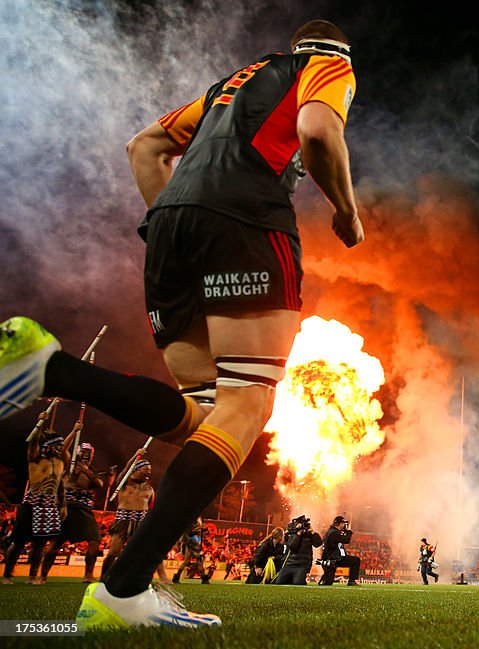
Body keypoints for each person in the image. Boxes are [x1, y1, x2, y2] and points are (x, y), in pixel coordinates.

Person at [0, 18, 362, 628]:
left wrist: (182, 222)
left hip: (170, 228)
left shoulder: (235, 82)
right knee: (248, 406)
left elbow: (143, 147)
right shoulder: (326, 65)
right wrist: (347, 212)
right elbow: (318, 130)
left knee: (203, 413)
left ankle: (55, 369)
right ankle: (123, 588)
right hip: (244, 218)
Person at [2, 415, 67, 585]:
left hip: (50, 506)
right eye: (58, 446)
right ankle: (7, 575)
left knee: (40, 545)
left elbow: (60, 486)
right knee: (18, 542)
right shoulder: (36, 459)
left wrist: (63, 505)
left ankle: (33, 576)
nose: (61, 449)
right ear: (50, 446)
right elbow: (32, 443)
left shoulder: (60, 464)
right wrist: (41, 423)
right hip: (32, 504)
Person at [41, 430, 110, 584]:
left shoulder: (93, 470)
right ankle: (43, 576)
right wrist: (74, 430)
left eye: (89, 453)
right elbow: (63, 449)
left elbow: (99, 484)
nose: (86, 455)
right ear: (78, 452)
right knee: (56, 543)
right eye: (84, 452)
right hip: (66, 505)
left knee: (95, 540)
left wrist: (86, 471)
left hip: (84, 508)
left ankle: (88, 575)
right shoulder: (67, 464)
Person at [102, 453, 168, 584]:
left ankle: (163, 577)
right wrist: (136, 456)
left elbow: (151, 507)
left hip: (141, 521)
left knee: (152, 550)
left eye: (149, 471)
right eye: (145, 470)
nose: (148, 473)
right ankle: (104, 577)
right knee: (112, 553)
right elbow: (126, 469)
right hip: (123, 520)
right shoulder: (125, 483)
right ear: (136, 470)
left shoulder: (149, 489)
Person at [274, 516, 322, 585]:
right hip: (290, 563)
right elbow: (292, 547)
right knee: (279, 582)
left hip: (302, 565)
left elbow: (318, 544)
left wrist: (313, 532)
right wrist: (298, 534)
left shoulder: (309, 534)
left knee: (298, 583)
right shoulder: (292, 534)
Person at [318, 515, 360, 586]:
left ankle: (325, 578)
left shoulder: (332, 531)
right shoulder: (334, 533)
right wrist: (349, 532)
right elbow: (346, 540)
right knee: (356, 560)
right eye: (343, 524)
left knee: (355, 561)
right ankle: (351, 581)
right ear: (340, 524)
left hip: (333, 558)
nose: (344, 525)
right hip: (333, 559)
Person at [172, 518, 209, 584]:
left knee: (199, 561)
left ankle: (204, 579)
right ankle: (176, 577)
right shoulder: (192, 520)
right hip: (191, 542)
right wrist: (199, 527)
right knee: (189, 561)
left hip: (196, 541)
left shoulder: (198, 519)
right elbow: (190, 532)